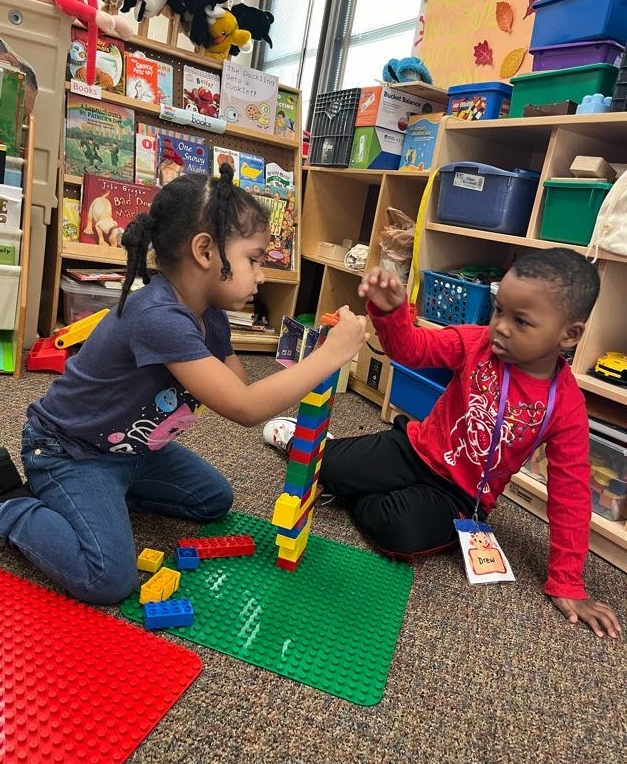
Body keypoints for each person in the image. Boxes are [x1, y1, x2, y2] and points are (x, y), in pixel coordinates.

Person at [0, 166, 367, 605]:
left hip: (134, 451)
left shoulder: (208, 313)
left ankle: (101, 502)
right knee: (109, 579)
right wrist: (330, 355)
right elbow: (245, 407)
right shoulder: (158, 317)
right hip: (69, 451)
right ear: (205, 250)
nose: (262, 276)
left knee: (213, 500)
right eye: (253, 259)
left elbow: (235, 382)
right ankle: (12, 505)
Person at [264, 248, 621, 638]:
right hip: (414, 449)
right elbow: (412, 350)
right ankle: (330, 455)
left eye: (521, 321)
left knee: (399, 535)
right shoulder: (475, 343)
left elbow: (570, 494)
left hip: (461, 496)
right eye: (499, 310)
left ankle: (358, 488)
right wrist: (389, 313)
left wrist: (567, 582)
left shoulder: (566, 406)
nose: (500, 326)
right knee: (325, 466)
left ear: (569, 334)